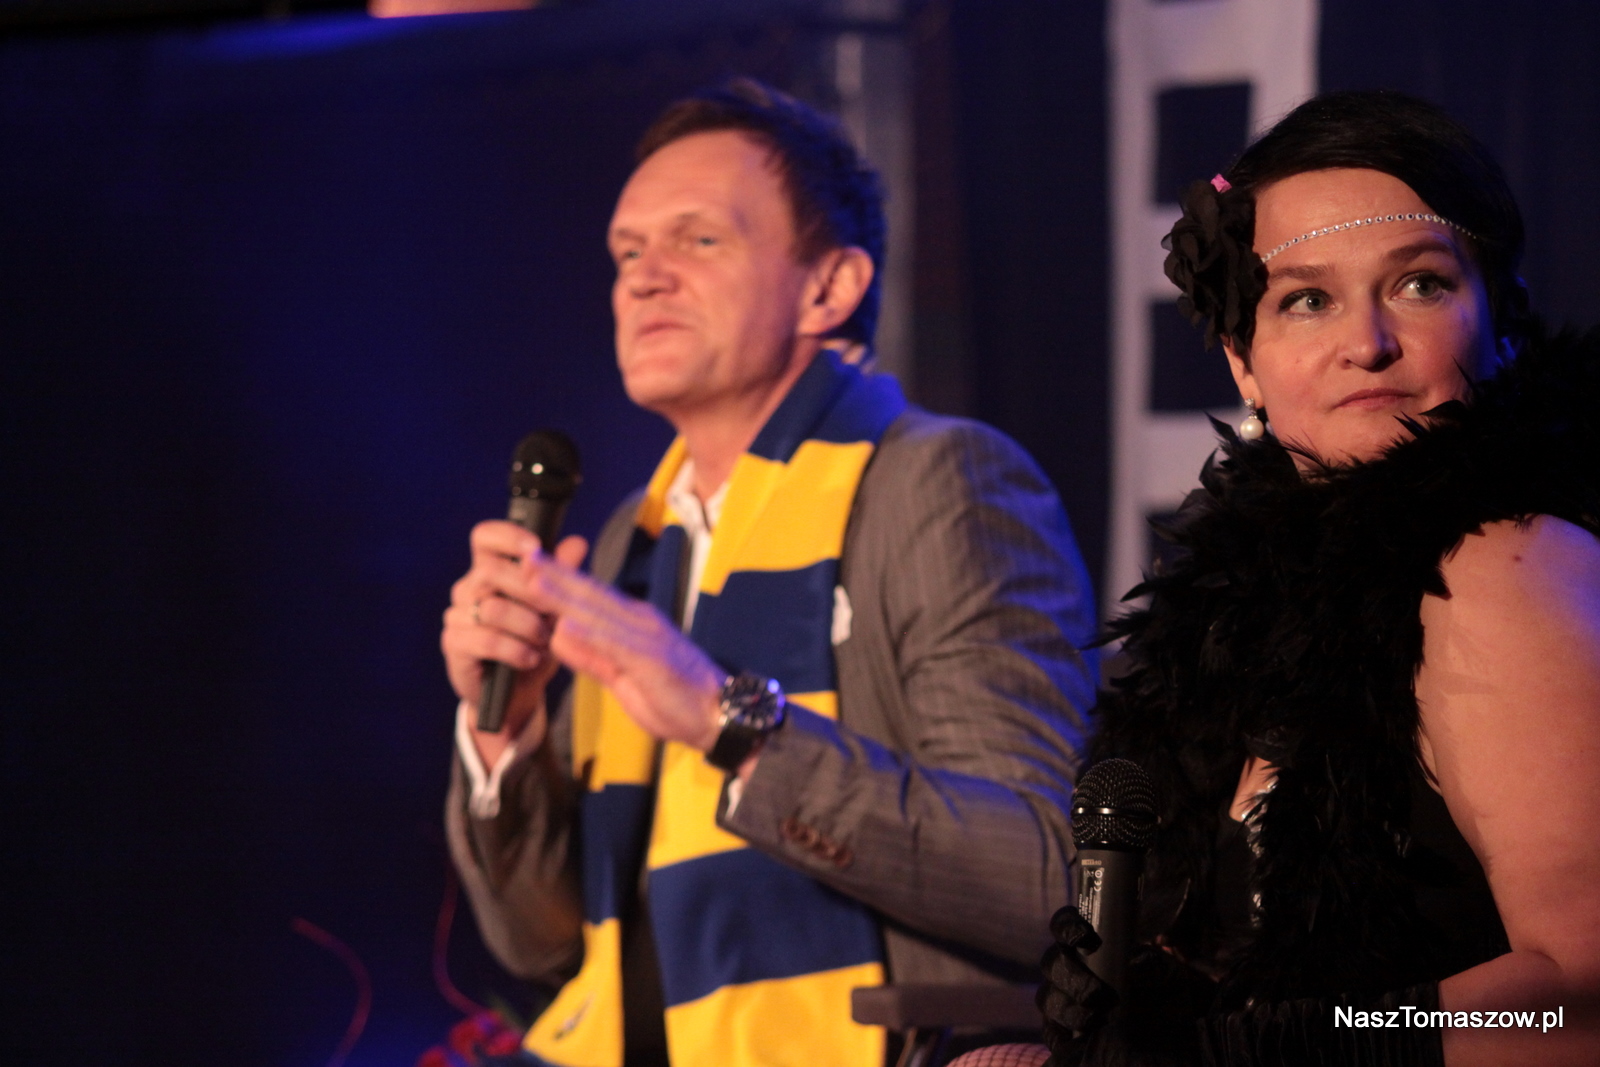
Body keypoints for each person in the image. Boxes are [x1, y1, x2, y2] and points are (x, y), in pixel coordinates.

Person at [439, 79, 1099, 1067]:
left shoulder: (940, 482)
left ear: (830, 286)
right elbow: (540, 940)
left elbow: (1045, 876)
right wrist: (509, 730)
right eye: (628, 253)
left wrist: (729, 720)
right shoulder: (633, 541)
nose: (644, 280)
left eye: (698, 240)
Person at [1034, 90, 1600, 1066]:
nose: (1365, 342)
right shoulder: (1257, 608)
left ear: (1500, 317)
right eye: (1306, 299)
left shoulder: (1508, 565)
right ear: (1243, 365)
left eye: (1419, 284)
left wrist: (1275, 1048)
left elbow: (1577, 1003)